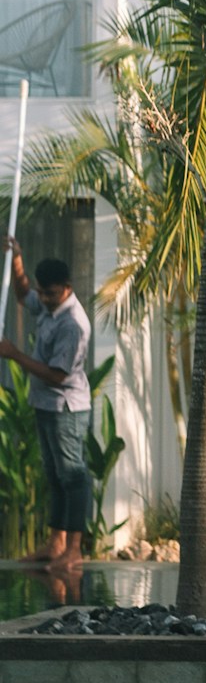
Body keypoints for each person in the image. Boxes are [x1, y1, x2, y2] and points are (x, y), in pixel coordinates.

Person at [1, 240, 91, 582]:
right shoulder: (49, 303)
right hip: (44, 405)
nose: (44, 298)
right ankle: (55, 544)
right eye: (43, 291)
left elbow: (57, 375)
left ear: (66, 288)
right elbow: (24, 295)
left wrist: (13, 354)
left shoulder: (73, 324)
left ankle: (74, 549)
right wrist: (17, 260)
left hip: (67, 408)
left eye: (50, 293)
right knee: (54, 476)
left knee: (73, 476)